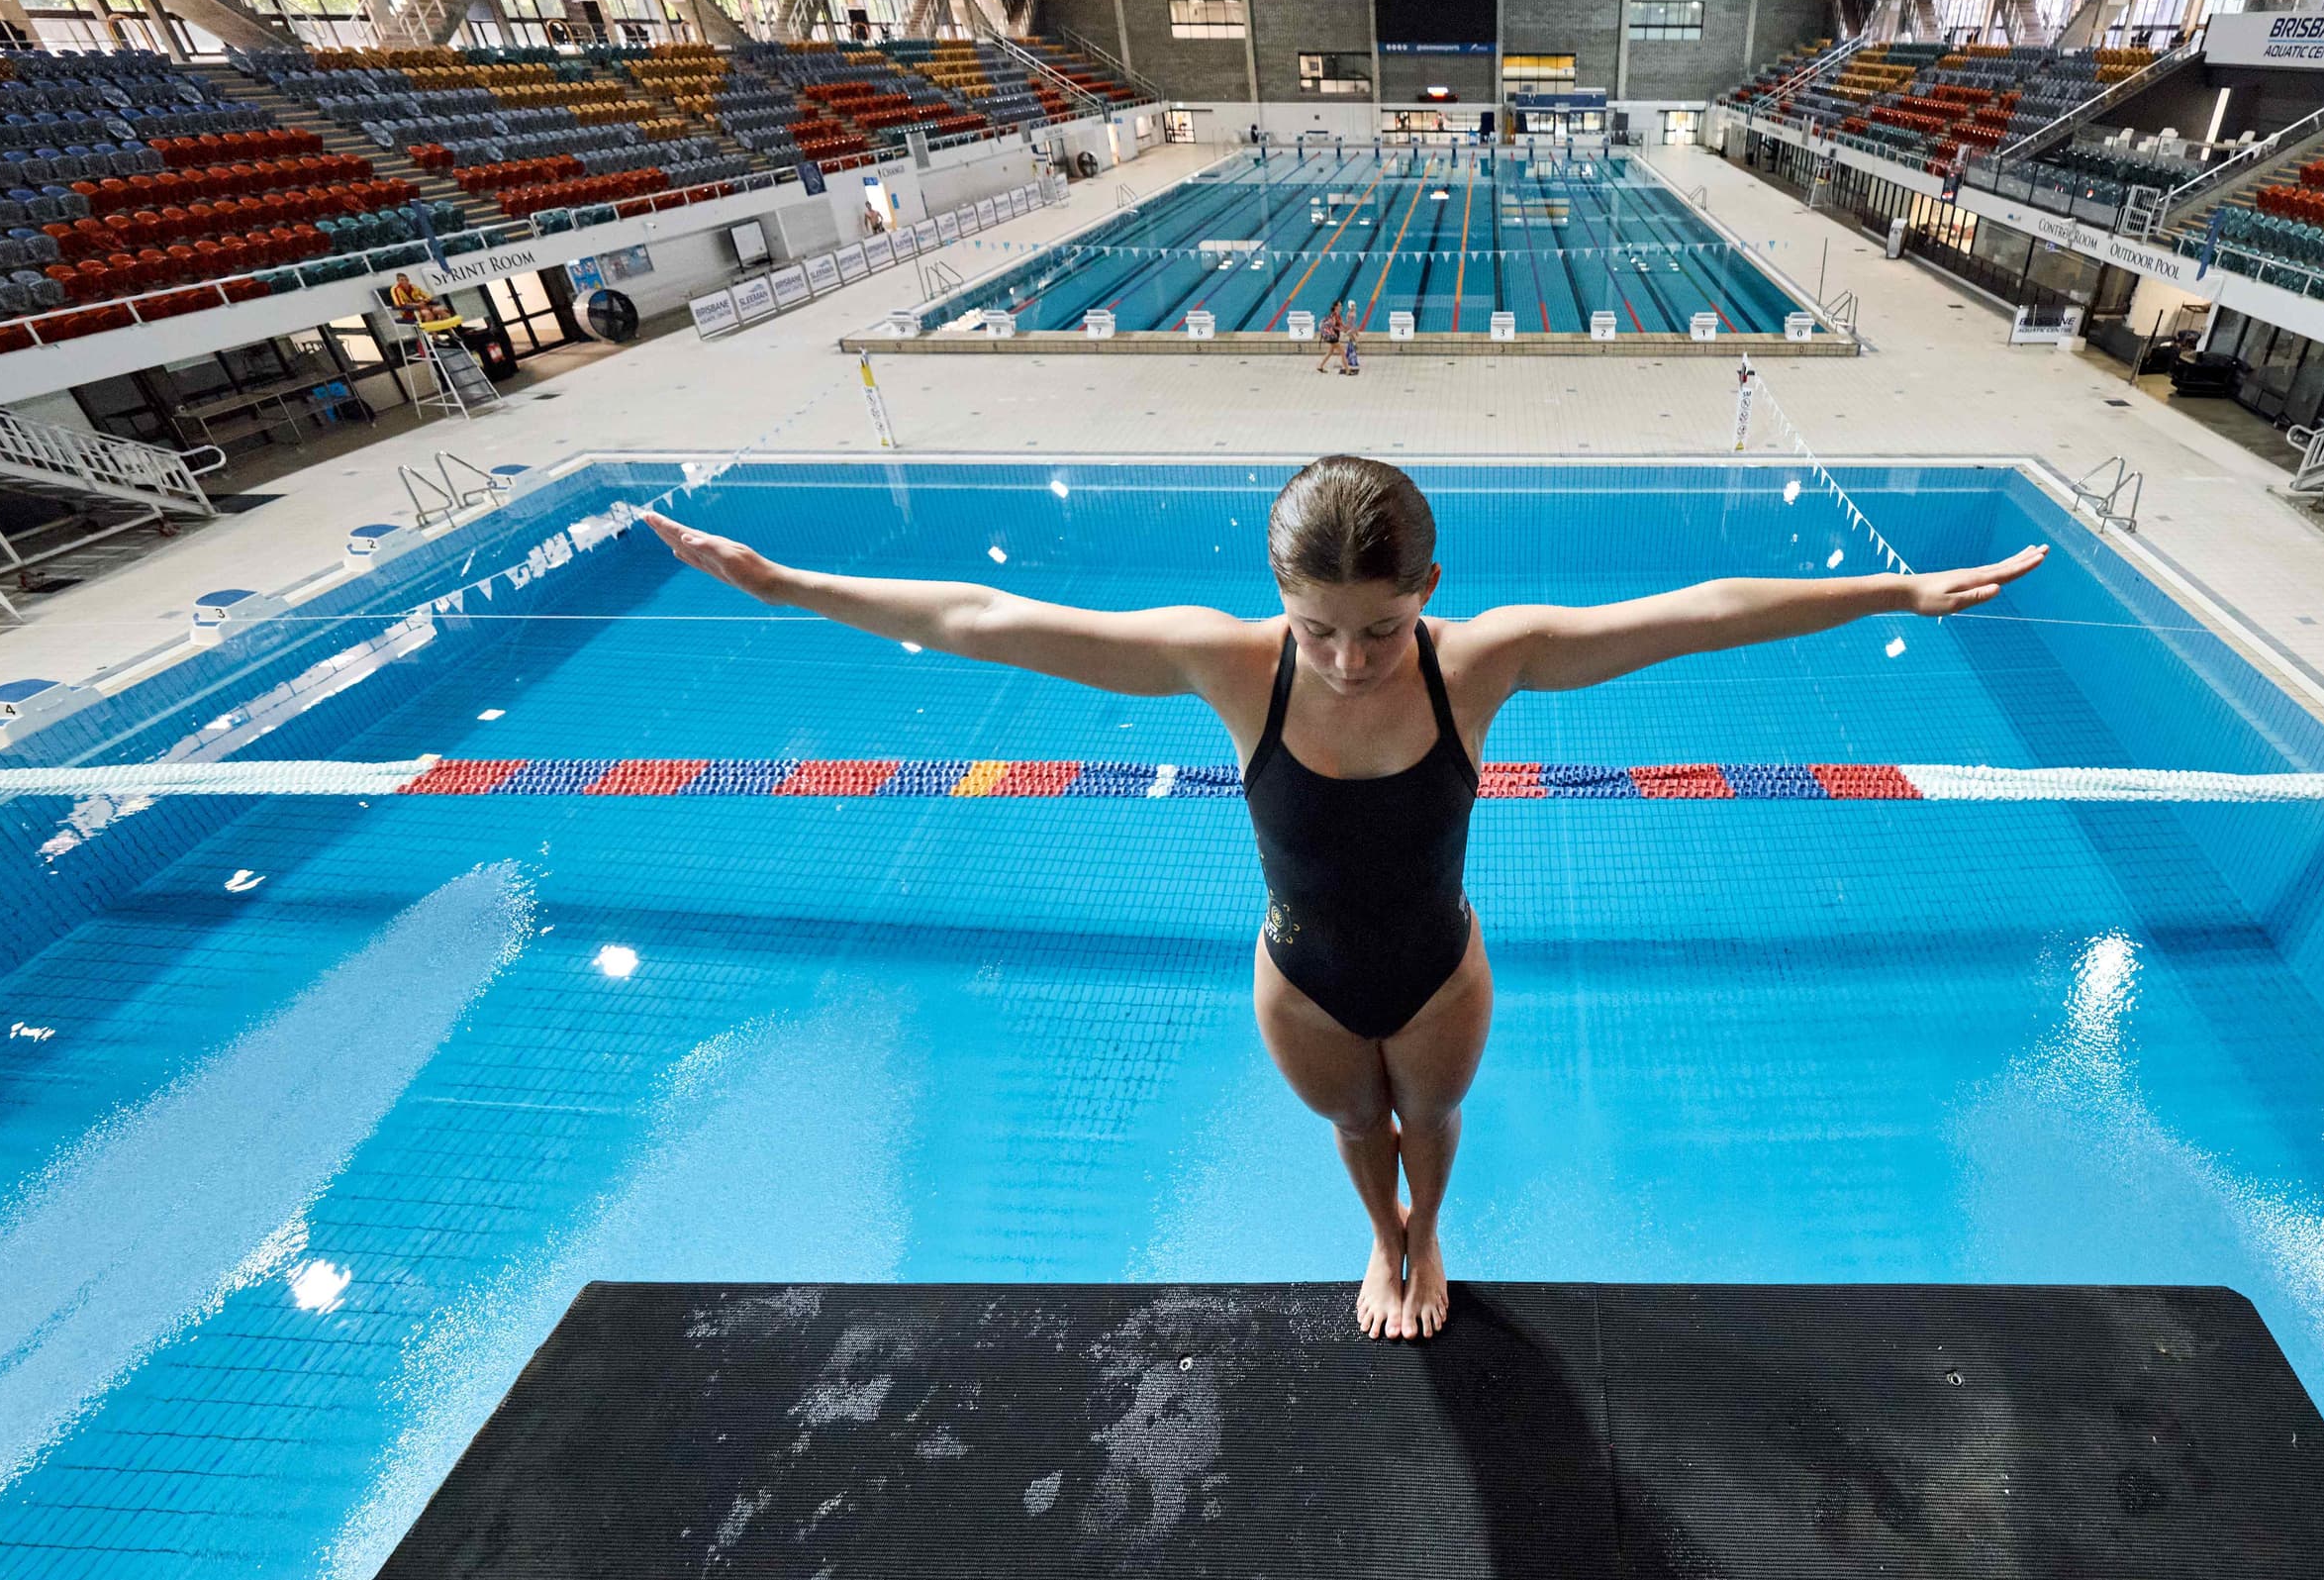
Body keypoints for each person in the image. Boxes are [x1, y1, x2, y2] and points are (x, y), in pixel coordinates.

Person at [643, 458, 2042, 1340]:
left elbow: (1704, 610)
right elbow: (981, 620)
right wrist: (787, 584)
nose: (1353, 659)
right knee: (1352, 1125)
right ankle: (1379, 1241)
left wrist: (1895, 588)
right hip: (1299, 976)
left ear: (1426, 589)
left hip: (1441, 968)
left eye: (1379, 628)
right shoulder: (1230, 666)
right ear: (1280, 599)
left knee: (1430, 1115)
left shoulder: (1481, 663)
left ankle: (1434, 1236)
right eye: (1320, 628)